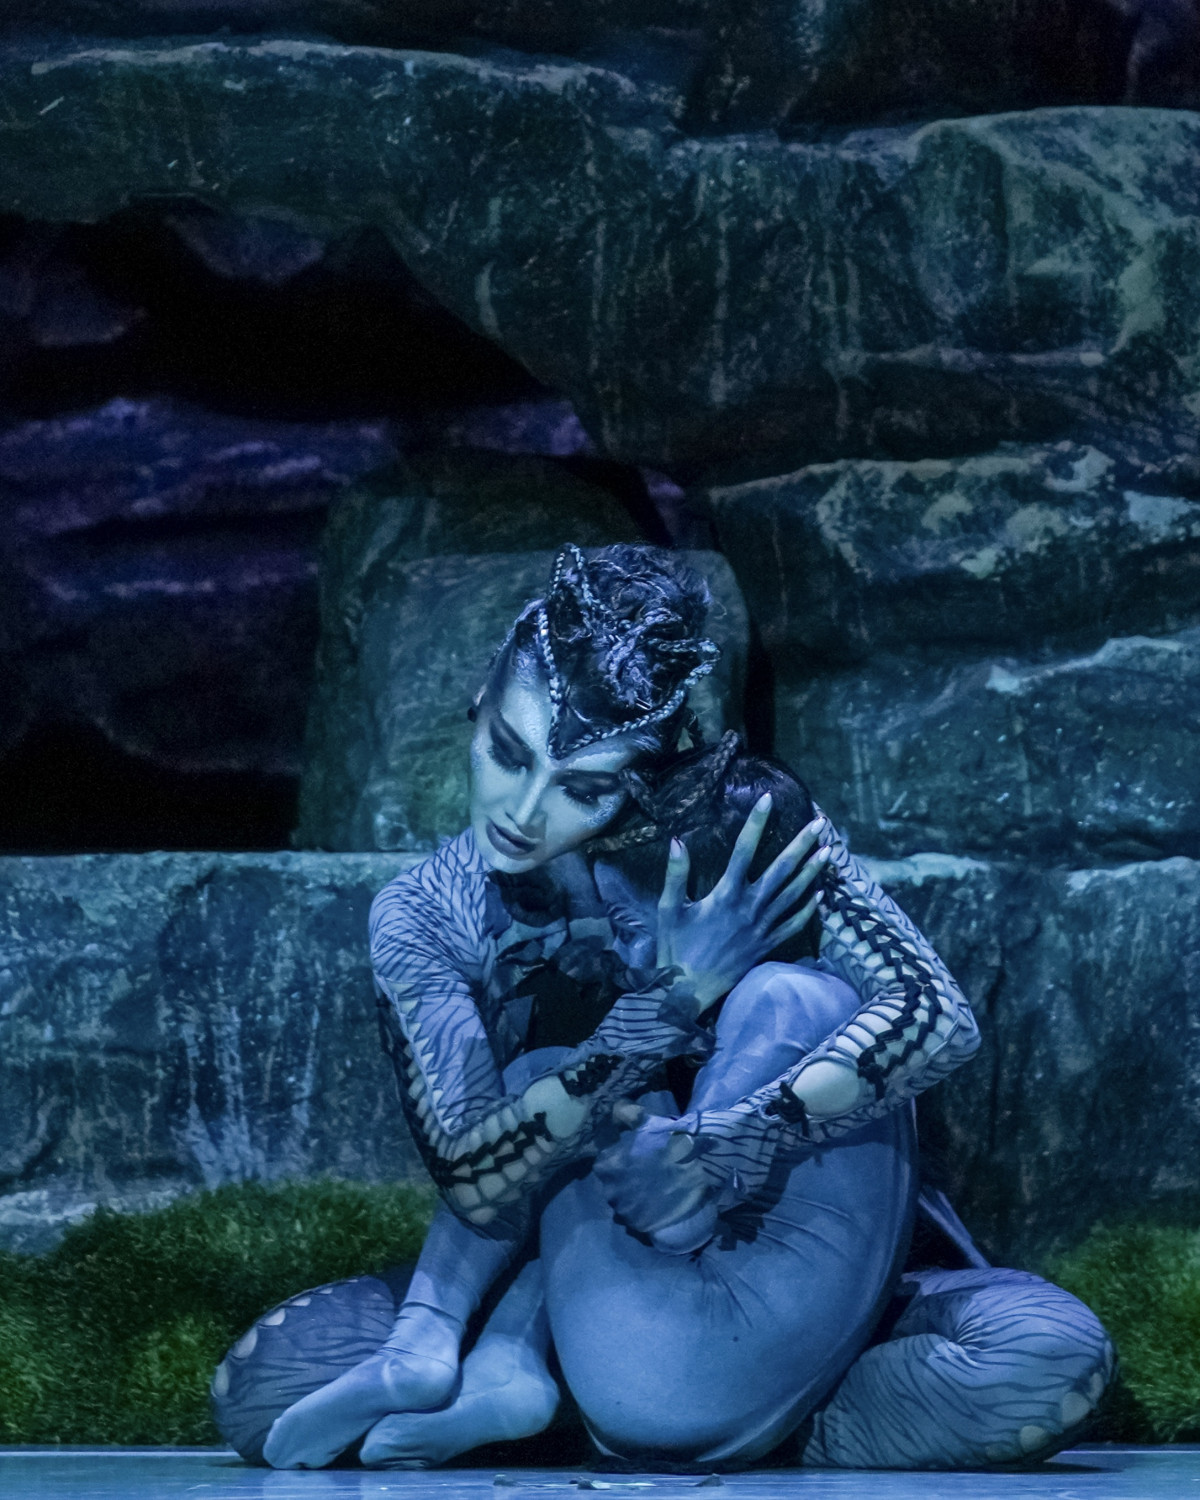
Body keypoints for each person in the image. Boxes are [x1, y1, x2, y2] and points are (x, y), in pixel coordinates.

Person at [211, 543, 1110, 1470]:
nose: (523, 810)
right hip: (572, 1255)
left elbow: (935, 1014)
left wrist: (732, 1143)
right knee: (264, 1384)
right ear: (478, 703)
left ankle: (620, 1400)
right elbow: (475, 1178)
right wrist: (671, 1003)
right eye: (508, 754)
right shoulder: (426, 913)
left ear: (647, 766)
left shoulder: (747, 826)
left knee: (1045, 1357)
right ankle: (583, 1383)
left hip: (804, 1241)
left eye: (584, 787)